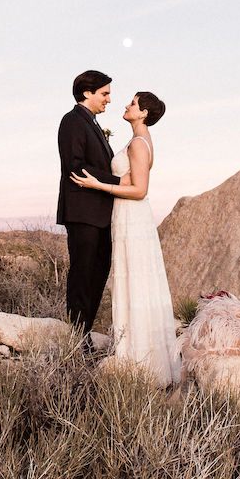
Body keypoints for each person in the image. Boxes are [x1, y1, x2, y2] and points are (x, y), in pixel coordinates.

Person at [70, 91, 180, 386]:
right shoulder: (139, 140)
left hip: (132, 215)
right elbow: (131, 180)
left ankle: (140, 360)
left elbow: (140, 190)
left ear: (143, 113)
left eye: (132, 103)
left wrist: (98, 184)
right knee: (134, 281)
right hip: (128, 215)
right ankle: (140, 353)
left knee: (135, 280)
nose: (127, 106)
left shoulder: (138, 143)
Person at [56, 70, 122, 346]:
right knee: (83, 272)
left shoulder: (92, 124)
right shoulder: (72, 121)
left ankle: (84, 332)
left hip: (101, 215)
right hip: (82, 212)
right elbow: (75, 165)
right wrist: (118, 181)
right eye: (104, 93)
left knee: (99, 270)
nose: (109, 99)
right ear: (87, 93)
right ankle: (77, 337)